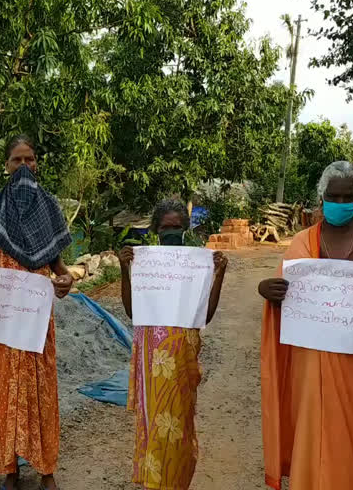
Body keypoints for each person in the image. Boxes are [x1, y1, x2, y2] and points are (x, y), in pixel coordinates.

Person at [258, 161, 353, 490]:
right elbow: (286, 293)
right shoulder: (301, 242)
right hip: (307, 359)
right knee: (308, 426)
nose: (340, 203)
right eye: (333, 196)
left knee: (346, 431)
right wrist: (267, 291)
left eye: (347, 196)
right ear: (322, 197)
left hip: (352, 360)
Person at [0, 135, 73, 490]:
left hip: (39, 320)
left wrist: (65, 279)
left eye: (31, 159)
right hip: (6, 320)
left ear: (37, 164)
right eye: (16, 160)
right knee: (7, 390)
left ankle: (46, 470)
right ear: (6, 166)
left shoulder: (50, 207)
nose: (24, 167)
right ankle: (10, 469)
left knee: (42, 391)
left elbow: (59, 267)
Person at [117, 199, 228, 490]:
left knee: (178, 421)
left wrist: (219, 275)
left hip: (182, 359)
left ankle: (176, 481)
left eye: (176, 227)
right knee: (154, 421)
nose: (171, 232)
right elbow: (131, 311)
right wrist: (123, 269)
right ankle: (155, 481)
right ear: (155, 229)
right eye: (165, 227)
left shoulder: (195, 265)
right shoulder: (145, 263)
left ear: (185, 229)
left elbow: (206, 315)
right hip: (151, 355)